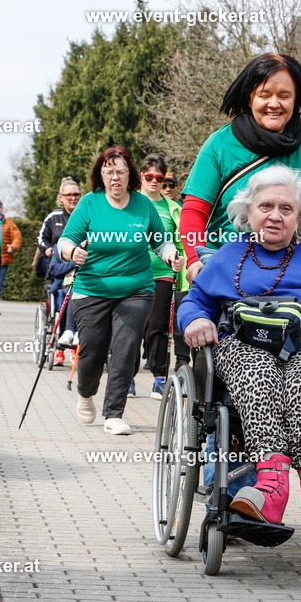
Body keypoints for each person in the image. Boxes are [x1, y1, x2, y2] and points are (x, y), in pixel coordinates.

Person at [179, 165, 301, 535]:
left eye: (286, 208)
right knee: (260, 376)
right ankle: (271, 488)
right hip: (243, 348)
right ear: (248, 212)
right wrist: (194, 321)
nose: (275, 216)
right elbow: (195, 302)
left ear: (300, 217)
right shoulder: (229, 255)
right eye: (266, 206)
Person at [180, 53, 301, 285]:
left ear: (296, 101)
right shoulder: (219, 144)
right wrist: (195, 259)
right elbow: (194, 210)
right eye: (264, 95)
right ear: (249, 98)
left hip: (293, 276)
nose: (274, 104)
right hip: (225, 273)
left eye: (284, 96)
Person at [58, 147, 183, 436]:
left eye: (121, 171)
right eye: (109, 171)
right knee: (92, 350)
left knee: (126, 348)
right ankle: (86, 392)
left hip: (136, 289)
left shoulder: (143, 205)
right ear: (100, 175)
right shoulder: (90, 203)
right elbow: (67, 239)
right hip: (92, 289)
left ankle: (114, 413)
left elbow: (161, 242)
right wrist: (72, 252)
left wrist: (170, 255)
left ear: (131, 175)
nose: (115, 177)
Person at [138, 154, 189, 400]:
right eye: (149, 177)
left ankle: (159, 379)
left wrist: (180, 268)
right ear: (141, 177)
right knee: (133, 327)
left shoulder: (173, 210)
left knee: (158, 327)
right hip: (132, 273)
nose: (155, 182)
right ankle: (127, 378)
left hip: (163, 275)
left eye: (160, 178)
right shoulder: (131, 203)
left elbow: (180, 243)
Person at [38, 177, 82, 365]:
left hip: (82, 275)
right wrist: (47, 249)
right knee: (64, 295)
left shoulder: (85, 215)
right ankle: (59, 345)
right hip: (60, 269)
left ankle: (78, 342)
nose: (73, 198)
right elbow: (41, 238)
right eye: (69, 195)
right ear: (61, 198)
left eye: (77, 195)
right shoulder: (54, 218)